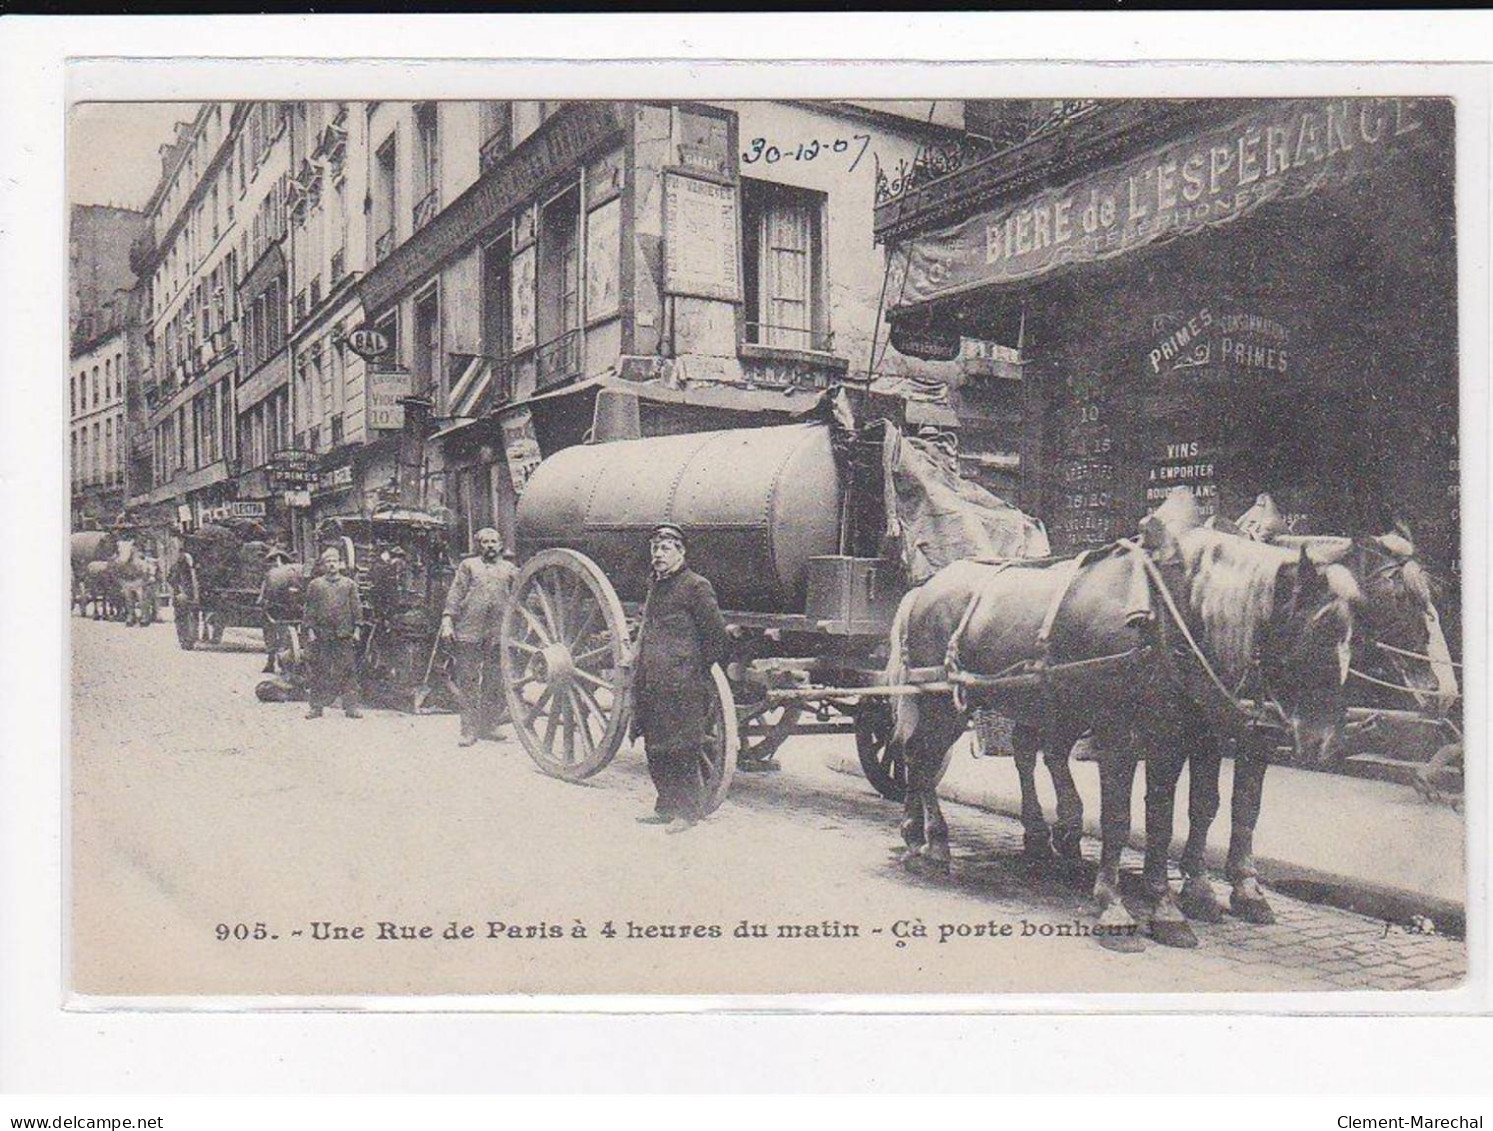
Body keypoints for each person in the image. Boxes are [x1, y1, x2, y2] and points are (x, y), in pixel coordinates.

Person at [630, 523, 730, 834]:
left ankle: (687, 812)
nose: (658, 555)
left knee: (682, 747)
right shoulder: (656, 585)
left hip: (682, 683)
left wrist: (693, 669)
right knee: (656, 745)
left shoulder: (695, 586)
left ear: (681, 552)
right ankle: (666, 807)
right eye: (655, 549)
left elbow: (716, 636)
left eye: (665, 549)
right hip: (652, 680)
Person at [440, 526, 518, 746]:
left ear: (501, 545)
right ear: (478, 545)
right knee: (469, 681)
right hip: (469, 632)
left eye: (494, 542)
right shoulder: (468, 566)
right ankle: (469, 730)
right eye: (485, 542)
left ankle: (488, 725)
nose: (490, 546)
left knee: (495, 681)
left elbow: (521, 597)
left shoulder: (510, 569)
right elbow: (455, 594)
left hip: (497, 633)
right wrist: (447, 620)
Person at [303, 547, 363, 719]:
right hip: (322, 634)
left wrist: (357, 629)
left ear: (340, 564)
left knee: (348, 670)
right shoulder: (315, 585)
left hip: (343, 634)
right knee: (319, 670)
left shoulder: (349, 584)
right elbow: (309, 609)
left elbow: (356, 609)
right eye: (328, 562)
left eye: (334, 561)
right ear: (323, 565)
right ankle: (316, 707)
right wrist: (310, 631)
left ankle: (351, 707)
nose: (331, 565)